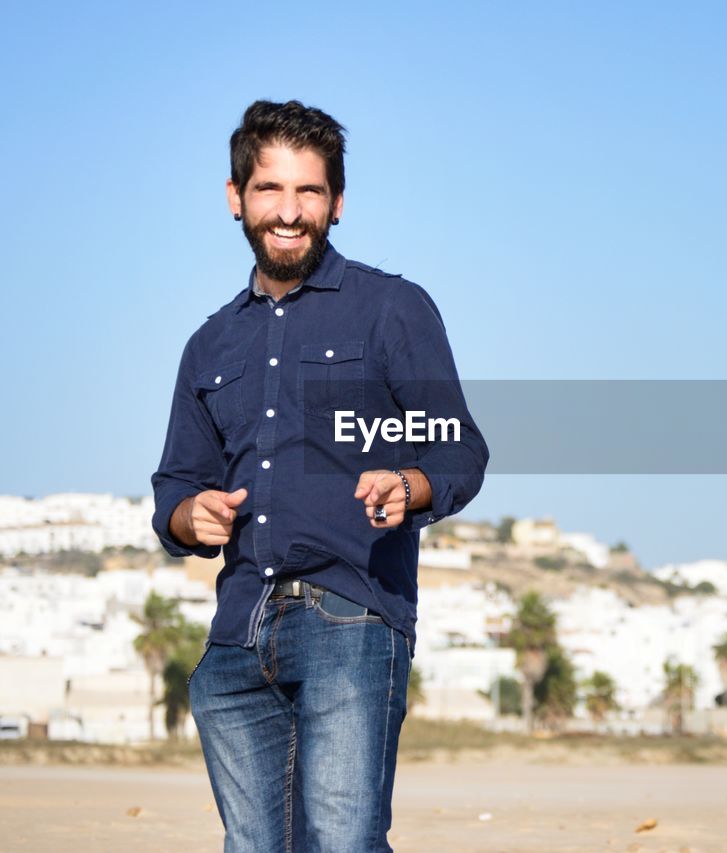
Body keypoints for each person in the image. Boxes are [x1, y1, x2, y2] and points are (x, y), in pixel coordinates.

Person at [151, 99, 488, 851]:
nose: (289, 211)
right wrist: (188, 516)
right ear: (236, 198)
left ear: (337, 204)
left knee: (341, 841)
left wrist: (409, 486)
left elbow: (460, 449)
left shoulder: (391, 309)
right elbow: (174, 485)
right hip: (237, 635)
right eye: (270, 189)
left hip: (351, 616)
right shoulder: (208, 345)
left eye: (309, 191)